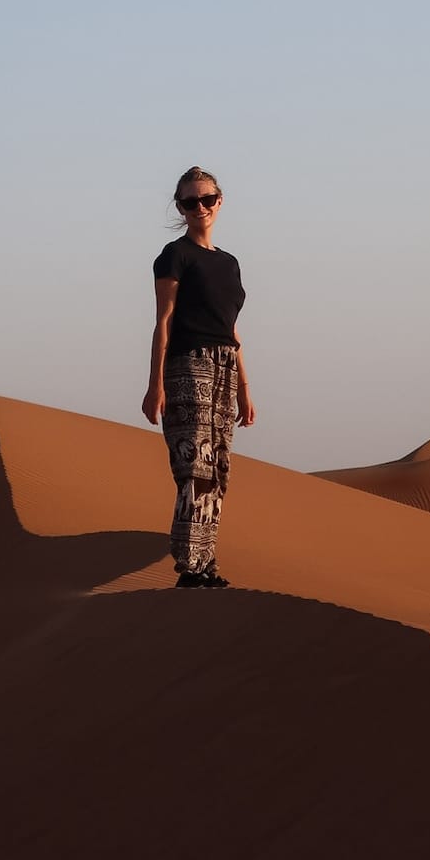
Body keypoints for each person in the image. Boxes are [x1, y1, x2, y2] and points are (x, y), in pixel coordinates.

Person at [142, 165, 256, 588]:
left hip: (225, 366)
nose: (200, 207)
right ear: (181, 207)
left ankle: (207, 564)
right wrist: (155, 384)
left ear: (219, 201)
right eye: (191, 202)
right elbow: (163, 321)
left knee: (219, 467)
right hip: (188, 365)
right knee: (195, 464)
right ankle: (189, 566)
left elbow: (232, 329)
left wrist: (245, 387)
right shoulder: (175, 256)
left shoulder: (229, 263)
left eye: (207, 199)